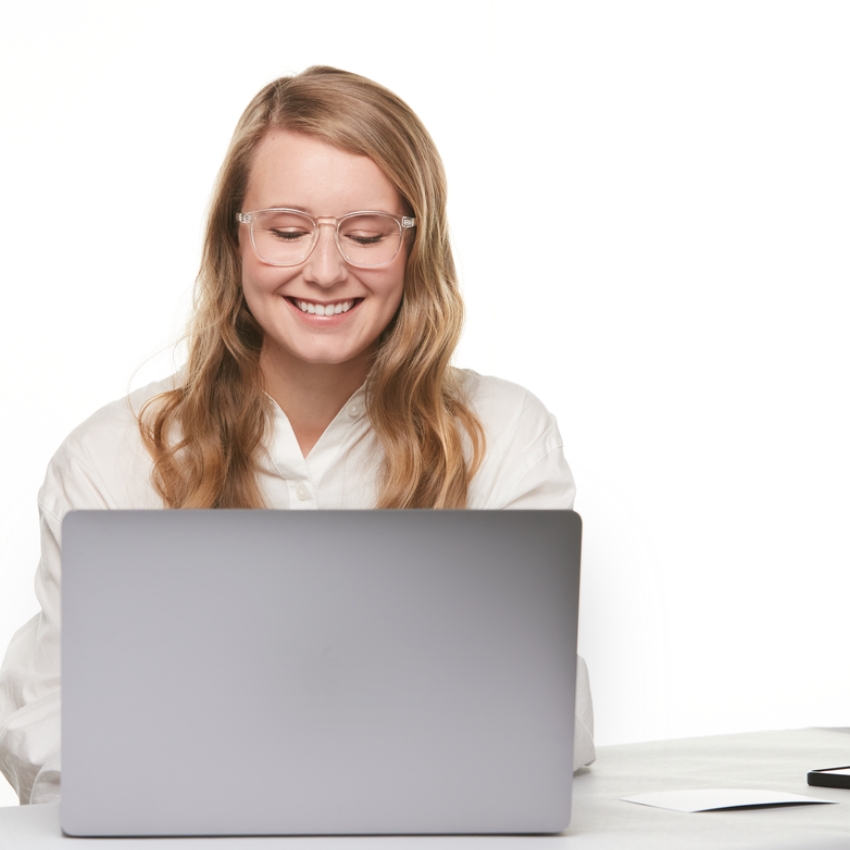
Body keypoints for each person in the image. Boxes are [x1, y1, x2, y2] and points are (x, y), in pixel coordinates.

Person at [0, 66, 595, 805]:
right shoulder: (110, 458)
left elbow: (543, 721)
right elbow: (51, 730)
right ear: (235, 240)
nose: (324, 270)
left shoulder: (503, 435)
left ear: (416, 246)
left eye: (367, 234)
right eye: (287, 231)